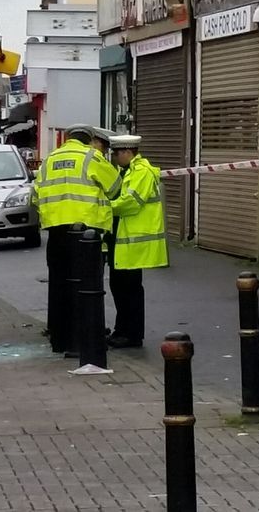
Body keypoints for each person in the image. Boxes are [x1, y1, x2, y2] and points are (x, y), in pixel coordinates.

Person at [32, 123, 122, 354]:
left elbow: (34, 196)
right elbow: (114, 188)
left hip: (56, 233)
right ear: (89, 139)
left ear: (67, 138)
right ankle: (86, 340)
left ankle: (60, 339)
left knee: (59, 285)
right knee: (87, 287)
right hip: (86, 234)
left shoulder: (50, 159)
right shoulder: (92, 157)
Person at [106, 134, 168, 348]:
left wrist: (104, 206)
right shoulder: (127, 171)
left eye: (116, 153)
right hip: (124, 239)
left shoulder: (141, 172)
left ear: (127, 152)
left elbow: (131, 202)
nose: (114, 157)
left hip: (133, 241)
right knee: (120, 287)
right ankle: (122, 330)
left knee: (129, 289)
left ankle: (131, 335)